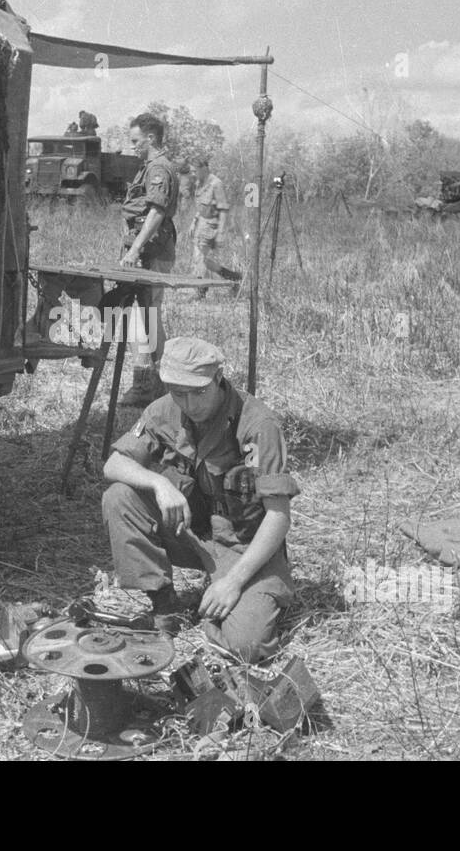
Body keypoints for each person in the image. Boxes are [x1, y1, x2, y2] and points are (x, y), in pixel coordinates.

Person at [101, 337, 299, 663]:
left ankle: (220, 604)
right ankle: (165, 606)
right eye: (180, 393)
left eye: (199, 392)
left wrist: (233, 582)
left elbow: (278, 517)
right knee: (120, 496)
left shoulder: (257, 424)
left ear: (218, 378)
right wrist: (159, 485)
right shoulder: (164, 409)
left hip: (243, 545)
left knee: (247, 647)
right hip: (194, 531)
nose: (190, 404)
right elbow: (114, 465)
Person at [118, 112, 178, 406]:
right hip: (148, 249)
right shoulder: (151, 167)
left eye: (135, 141)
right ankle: (159, 386)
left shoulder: (158, 169)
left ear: (150, 138)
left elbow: (155, 213)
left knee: (143, 317)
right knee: (145, 316)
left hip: (151, 250)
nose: (132, 146)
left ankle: (152, 386)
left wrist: (134, 250)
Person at [190, 157, 243, 298]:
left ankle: (201, 291)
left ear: (204, 168)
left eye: (195, 171)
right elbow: (201, 205)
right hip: (201, 224)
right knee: (202, 260)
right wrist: (194, 220)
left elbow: (223, 209)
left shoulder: (216, 184)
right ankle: (233, 276)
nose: (193, 174)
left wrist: (220, 232)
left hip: (211, 227)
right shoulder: (199, 183)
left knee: (199, 258)